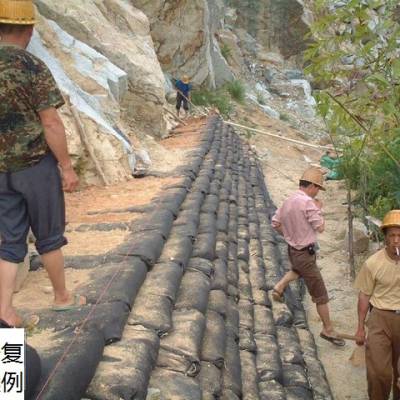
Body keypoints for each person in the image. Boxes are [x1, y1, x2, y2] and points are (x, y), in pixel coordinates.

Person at [0, 0, 85, 328]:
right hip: (35, 167)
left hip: (2, 171)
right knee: (49, 235)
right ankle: (62, 298)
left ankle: (5, 310)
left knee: (10, 239)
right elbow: (50, 122)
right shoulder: (32, 66)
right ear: (29, 29)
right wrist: (66, 165)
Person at [271, 167, 345, 346]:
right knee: (320, 294)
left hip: (294, 250)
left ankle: (279, 287)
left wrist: (290, 235)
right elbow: (320, 227)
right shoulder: (308, 203)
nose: (317, 192)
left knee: (298, 270)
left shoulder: (289, 200)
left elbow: (275, 223)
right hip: (304, 252)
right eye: (317, 188)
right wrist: (319, 209)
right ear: (311, 186)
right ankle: (328, 329)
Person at [354, 209, 400, 400]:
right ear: (385, 238)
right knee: (379, 373)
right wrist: (360, 328)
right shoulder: (373, 263)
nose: (396, 240)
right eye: (392, 236)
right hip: (380, 317)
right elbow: (364, 296)